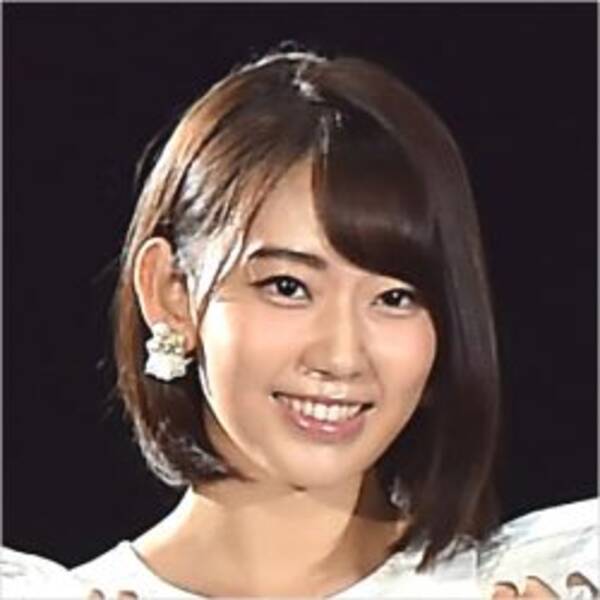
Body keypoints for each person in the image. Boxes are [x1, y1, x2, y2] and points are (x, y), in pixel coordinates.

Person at [2, 48, 597, 599]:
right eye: (287, 287)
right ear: (171, 294)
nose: (341, 356)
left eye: (395, 297)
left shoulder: (552, 581)